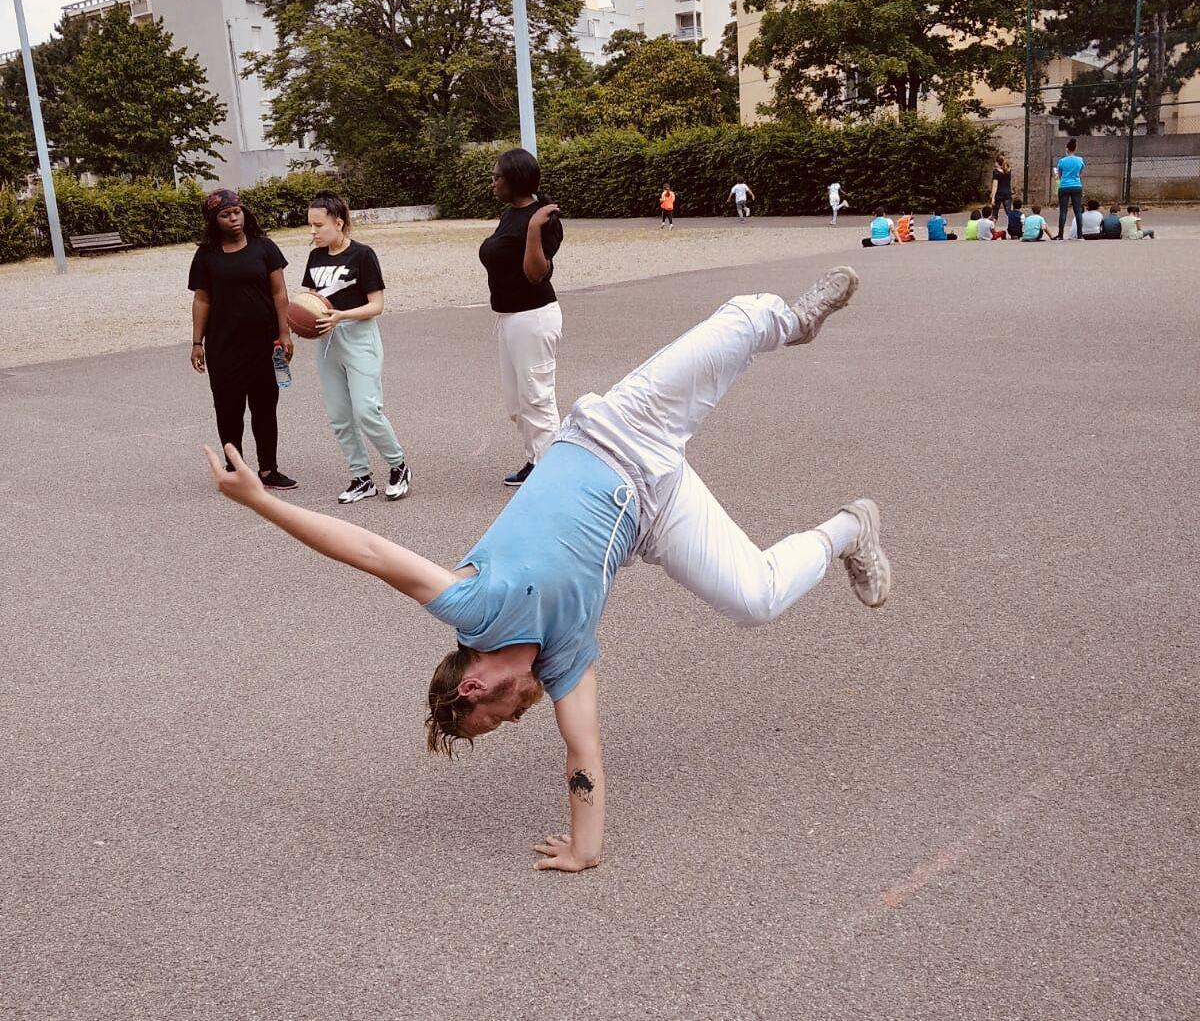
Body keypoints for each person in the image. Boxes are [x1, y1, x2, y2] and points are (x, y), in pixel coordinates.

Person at [204, 265, 891, 874]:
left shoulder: (477, 605)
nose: (513, 720)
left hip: (618, 431)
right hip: (655, 512)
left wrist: (261, 503)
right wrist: (585, 848)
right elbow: (582, 752)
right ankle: (851, 529)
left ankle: (790, 320)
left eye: (494, 719)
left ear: (474, 684)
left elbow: (369, 553)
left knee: (730, 334)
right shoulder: (562, 662)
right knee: (756, 598)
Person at [304, 189, 412, 504]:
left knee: (366, 410)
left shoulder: (362, 255)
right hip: (327, 341)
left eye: (318, 225)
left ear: (338, 223)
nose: (313, 232)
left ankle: (398, 465)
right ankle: (361, 477)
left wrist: (341, 316)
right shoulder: (315, 256)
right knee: (339, 416)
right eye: (310, 225)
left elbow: (376, 305)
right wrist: (300, 323)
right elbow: (309, 300)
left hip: (358, 336)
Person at [188, 188, 297, 491]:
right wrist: (197, 342)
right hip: (224, 346)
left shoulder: (265, 247)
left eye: (237, 211)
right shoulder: (206, 256)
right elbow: (202, 300)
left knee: (265, 407)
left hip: (265, 343)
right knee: (228, 409)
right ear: (214, 220)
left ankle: (268, 470)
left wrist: (284, 332)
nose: (234, 218)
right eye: (225, 215)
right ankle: (235, 469)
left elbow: (279, 292)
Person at [480, 148, 565, 488]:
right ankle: (536, 458)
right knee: (517, 400)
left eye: (497, 176)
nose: (493, 182)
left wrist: (533, 229)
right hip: (510, 318)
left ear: (515, 179)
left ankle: (552, 473)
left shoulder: (544, 219)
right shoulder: (509, 214)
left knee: (538, 397)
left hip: (535, 318)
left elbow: (535, 273)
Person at [1054, 137, 1086, 240]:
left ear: (1067, 149)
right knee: (1077, 211)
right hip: (1076, 186)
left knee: (1063, 211)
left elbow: (1059, 174)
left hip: (1064, 186)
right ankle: (1080, 234)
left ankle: (1060, 234)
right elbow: (1080, 173)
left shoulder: (1062, 161)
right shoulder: (1080, 160)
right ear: (1075, 148)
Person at [990, 154, 1014, 220]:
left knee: (995, 213)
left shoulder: (996, 172)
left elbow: (995, 185)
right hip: (1007, 193)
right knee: (1009, 212)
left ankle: (993, 227)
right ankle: (1014, 225)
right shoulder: (1008, 170)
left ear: (997, 162)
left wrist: (993, 197)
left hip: (999, 194)